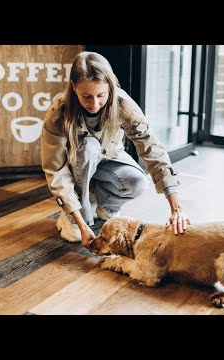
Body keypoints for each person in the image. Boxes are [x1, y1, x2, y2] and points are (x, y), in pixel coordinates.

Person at [41, 51, 190, 249]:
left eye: (101, 95)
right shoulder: (58, 113)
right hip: (76, 164)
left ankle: (104, 205)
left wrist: (176, 208)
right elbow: (55, 170)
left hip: (109, 159)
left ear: (110, 88)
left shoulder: (123, 105)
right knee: (87, 148)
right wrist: (81, 223)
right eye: (86, 96)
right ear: (73, 88)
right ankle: (73, 215)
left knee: (138, 182)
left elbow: (151, 149)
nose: (94, 104)